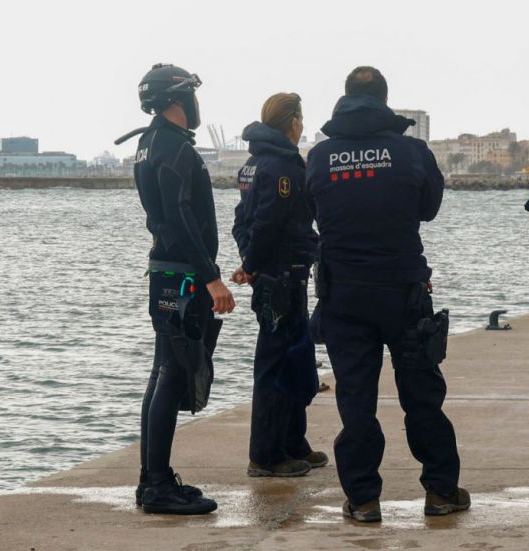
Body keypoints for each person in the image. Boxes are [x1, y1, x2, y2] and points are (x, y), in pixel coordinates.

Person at [306, 66, 469, 522]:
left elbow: (309, 212)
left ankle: (363, 499)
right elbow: (430, 208)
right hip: (403, 292)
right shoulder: (411, 151)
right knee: (421, 395)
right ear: (384, 98)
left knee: (355, 400)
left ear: (345, 98)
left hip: (343, 298)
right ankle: (441, 491)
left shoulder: (320, 157)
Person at [121, 63, 235, 515]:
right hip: (183, 275)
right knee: (172, 372)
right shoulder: (174, 149)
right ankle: (157, 486)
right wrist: (210, 277)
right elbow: (180, 217)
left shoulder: (147, 145)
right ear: (177, 100)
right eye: (191, 94)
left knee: (162, 371)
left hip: (165, 269)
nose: (195, 103)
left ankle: (154, 479)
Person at [231, 93, 328, 478]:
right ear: (293, 122)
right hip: (283, 276)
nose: (303, 126)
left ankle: (292, 442)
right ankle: (266, 455)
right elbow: (270, 225)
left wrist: (250, 264)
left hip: (278, 272)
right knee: (276, 364)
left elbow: (243, 222)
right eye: (301, 119)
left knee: (296, 358)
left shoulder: (252, 165)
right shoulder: (284, 168)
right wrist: (255, 265)